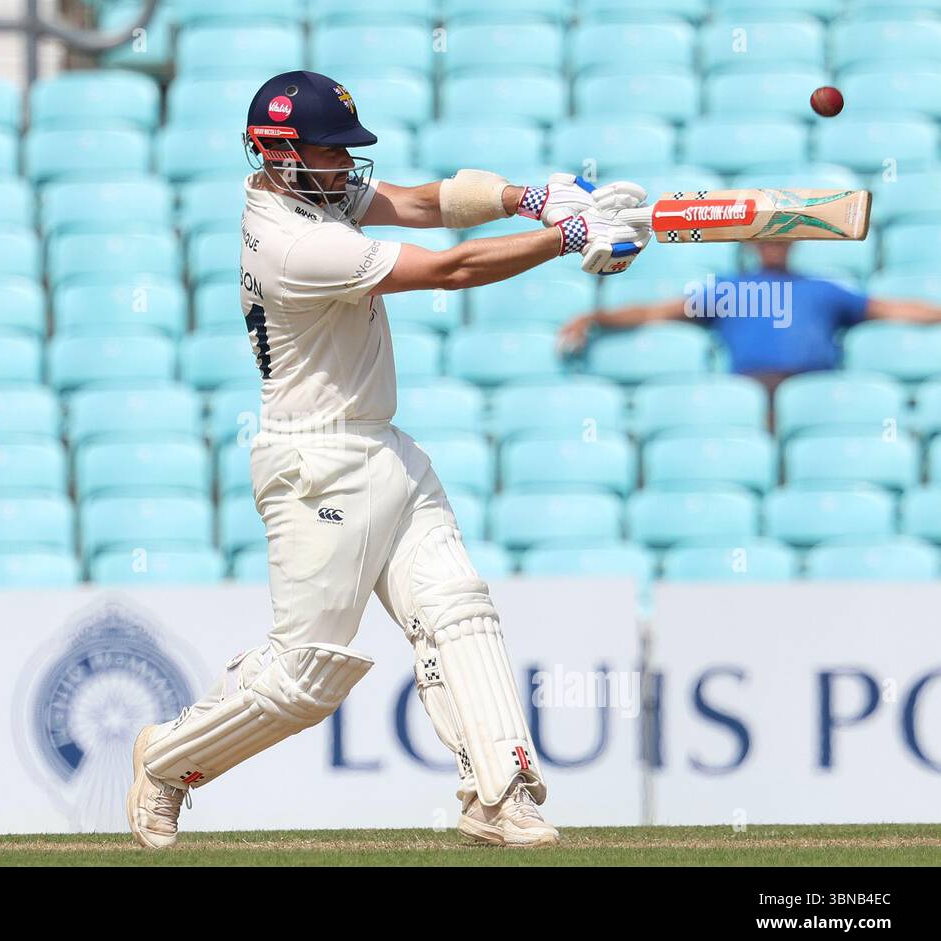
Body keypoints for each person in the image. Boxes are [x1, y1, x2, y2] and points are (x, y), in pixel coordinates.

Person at [124, 70, 652, 849]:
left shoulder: (315, 194)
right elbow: (451, 269)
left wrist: (528, 198)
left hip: (383, 446)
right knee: (305, 678)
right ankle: (167, 759)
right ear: (279, 152)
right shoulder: (294, 242)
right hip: (317, 465)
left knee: (458, 610)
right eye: (331, 153)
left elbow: (424, 201)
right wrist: (568, 238)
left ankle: (498, 794)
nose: (346, 167)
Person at [558, 240, 941, 395]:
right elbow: (655, 311)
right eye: (765, 238)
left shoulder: (823, 290)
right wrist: (597, 316)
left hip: (814, 390)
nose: (773, 246)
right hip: (750, 391)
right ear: (752, 244)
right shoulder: (730, 291)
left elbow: (891, 308)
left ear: (794, 242)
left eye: (780, 238)